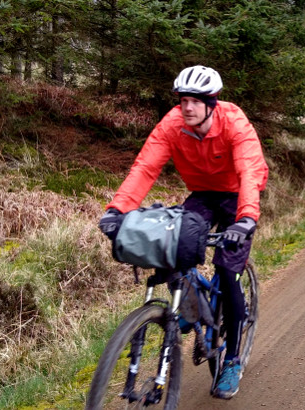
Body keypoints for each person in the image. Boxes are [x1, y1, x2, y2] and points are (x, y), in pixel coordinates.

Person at [98, 65, 269, 399]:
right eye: (183, 100)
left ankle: (232, 360)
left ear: (212, 103)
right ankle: (187, 309)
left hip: (236, 194)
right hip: (202, 194)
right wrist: (117, 210)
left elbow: (249, 171)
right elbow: (145, 167)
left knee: (227, 269)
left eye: (196, 100)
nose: (187, 107)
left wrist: (246, 219)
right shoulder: (173, 124)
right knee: (172, 248)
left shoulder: (234, 123)